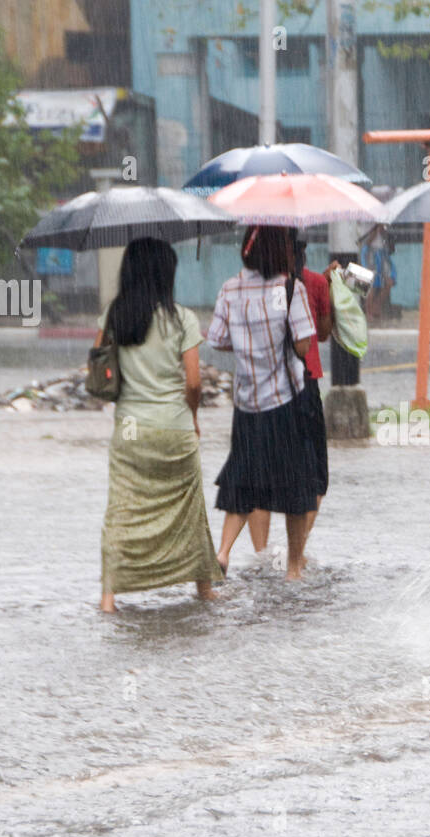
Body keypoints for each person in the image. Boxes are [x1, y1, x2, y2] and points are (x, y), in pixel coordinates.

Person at [96, 237, 220, 613]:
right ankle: (203, 588)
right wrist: (193, 418)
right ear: (167, 274)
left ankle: (108, 597)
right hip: (174, 428)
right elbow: (194, 382)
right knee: (189, 510)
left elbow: (100, 371)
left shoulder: (113, 316)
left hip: (131, 429)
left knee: (123, 508)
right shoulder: (182, 318)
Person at [207, 225, 318, 580]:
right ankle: (293, 568)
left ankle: (222, 553)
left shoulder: (230, 288)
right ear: (278, 251)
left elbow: (218, 340)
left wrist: (248, 342)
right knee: (295, 486)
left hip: (246, 403)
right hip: (284, 402)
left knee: (244, 481)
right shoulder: (289, 289)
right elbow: (303, 346)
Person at [246, 237, 337, 556]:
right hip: (303, 384)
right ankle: (294, 550)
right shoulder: (312, 284)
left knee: (261, 474)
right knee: (313, 476)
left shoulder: (251, 286)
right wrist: (327, 290)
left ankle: (260, 556)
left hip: (262, 385)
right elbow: (322, 334)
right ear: (302, 252)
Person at [359, 224, 396, 323]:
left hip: (381, 252)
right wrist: (376, 228)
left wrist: (383, 228)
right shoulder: (365, 220)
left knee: (389, 281)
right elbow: (367, 240)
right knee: (370, 284)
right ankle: (369, 312)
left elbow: (385, 237)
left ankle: (376, 307)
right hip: (369, 251)